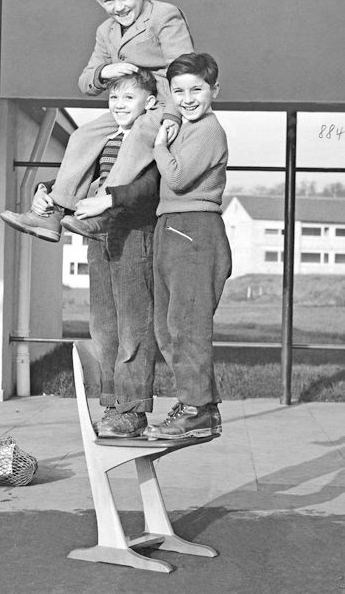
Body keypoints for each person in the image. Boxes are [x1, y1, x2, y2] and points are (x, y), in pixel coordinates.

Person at [1, 0, 193, 242]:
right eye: (109, 1)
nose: (119, 6)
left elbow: (183, 71)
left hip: (161, 102)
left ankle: (103, 209)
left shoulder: (164, 16)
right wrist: (106, 71)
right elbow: (86, 82)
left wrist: (172, 115)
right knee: (84, 135)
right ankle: (55, 212)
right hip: (128, 103)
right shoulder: (106, 32)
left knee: (139, 135)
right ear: (98, 1)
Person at [32, 69, 160, 437]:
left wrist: (109, 200)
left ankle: (133, 410)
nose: (119, 104)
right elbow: (85, 178)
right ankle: (112, 404)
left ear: (149, 103)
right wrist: (47, 191)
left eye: (128, 98)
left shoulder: (150, 135)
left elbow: (150, 187)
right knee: (103, 324)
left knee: (134, 324)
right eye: (113, 98)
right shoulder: (107, 137)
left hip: (135, 232)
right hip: (97, 234)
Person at [143, 52, 232, 440]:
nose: (188, 98)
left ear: (214, 90)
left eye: (197, 89)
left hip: (196, 229)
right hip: (171, 226)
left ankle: (197, 410)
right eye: (178, 90)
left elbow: (177, 179)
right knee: (167, 328)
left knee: (187, 325)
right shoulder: (187, 127)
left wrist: (160, 144)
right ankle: (200, 405)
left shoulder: (209, 130)